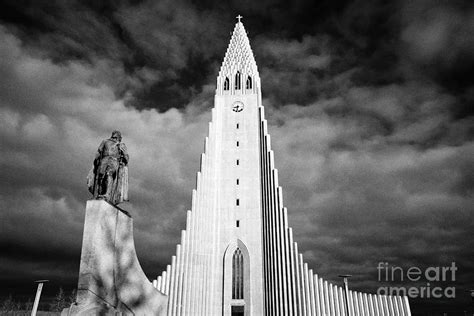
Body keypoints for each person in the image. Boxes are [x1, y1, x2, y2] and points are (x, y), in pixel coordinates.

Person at [88, 130, 129, 204]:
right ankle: (99, 193)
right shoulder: (105, 141)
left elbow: (126, 157)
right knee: (101, 176)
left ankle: (107, 194)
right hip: (104, 159)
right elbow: (99, 151)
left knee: (109, 174)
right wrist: (96, 160)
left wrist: (124, 155)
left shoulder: (121, 145)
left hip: (113, 161)